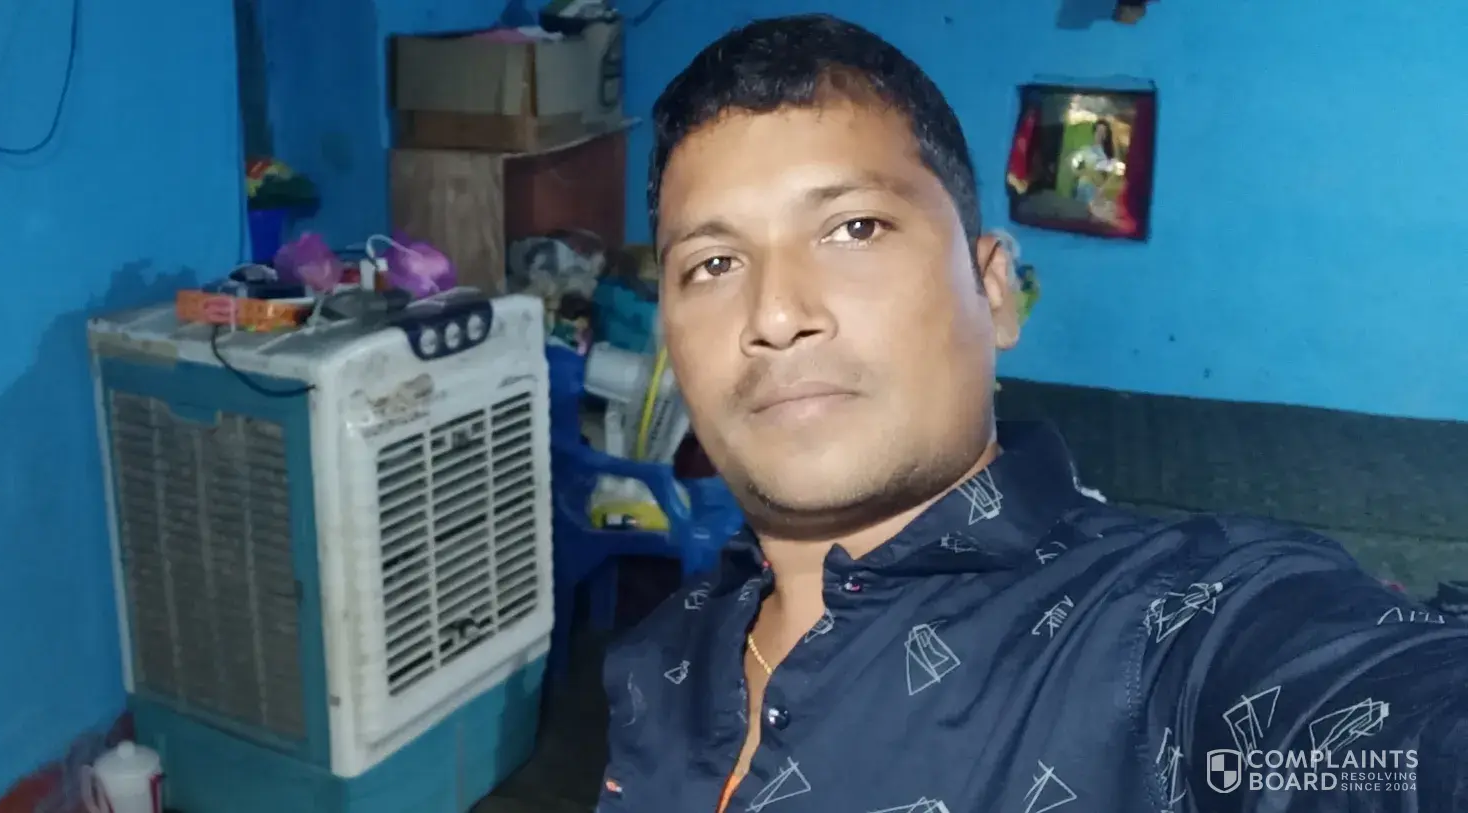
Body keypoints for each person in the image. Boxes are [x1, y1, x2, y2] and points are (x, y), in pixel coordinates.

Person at [598, 13, 1467, 813]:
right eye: (713, 264)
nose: (777, 313)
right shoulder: (661, 656)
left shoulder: (1172, 630)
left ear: (994, 291)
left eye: (855, 228)